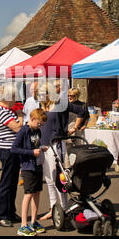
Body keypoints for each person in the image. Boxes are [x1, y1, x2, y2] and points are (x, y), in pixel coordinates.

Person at [38, 82, 85, 221]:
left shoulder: (59, 103)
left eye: (42, 93)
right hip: (43, 146)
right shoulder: (42, 106)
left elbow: (82, 111)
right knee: (48, 179)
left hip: (56, 145)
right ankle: (53, 208)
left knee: (58, 178)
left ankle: (64, 207)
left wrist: (73, 127)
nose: (40, 96)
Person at [12, 108, 49, 236]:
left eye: (42, 125)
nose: (40, 126)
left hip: (38, 165)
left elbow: (35, 145)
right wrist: (31, 153)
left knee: (37, 193)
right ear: (32, 119)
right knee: (28, 194)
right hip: (28, 167)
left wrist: (41, 148)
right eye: (39, 123)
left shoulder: (37, 131)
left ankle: (34, 221)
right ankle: (23, 225)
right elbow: (14, 148)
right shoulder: (24, 131)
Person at [0, 84, 23, 227]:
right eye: (13, 96)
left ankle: (10, 212)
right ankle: (1, 215)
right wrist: (20, 115)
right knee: (7, 183)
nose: (15, 99)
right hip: (8, 150)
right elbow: (18, 128)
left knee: (12, 183)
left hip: (12, 149)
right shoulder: (2, 111)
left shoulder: (5, 109)